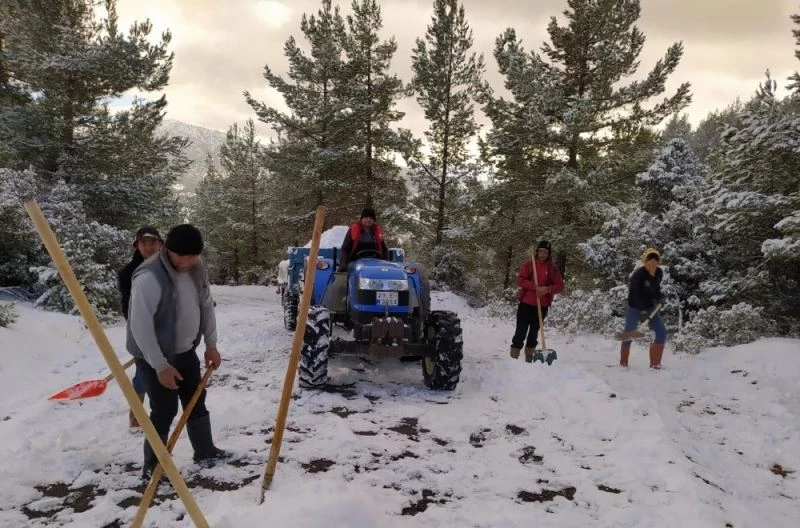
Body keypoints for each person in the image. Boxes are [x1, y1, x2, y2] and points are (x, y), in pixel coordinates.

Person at [126, 224, 228, 481]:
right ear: (167, 249)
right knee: (164, 410)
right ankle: (153, 467)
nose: (186, 262)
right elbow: (140, 326)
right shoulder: (149, 276)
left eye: (192, 256)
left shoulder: (196, 268)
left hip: (185, 351)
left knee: (196, 400)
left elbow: (206, 305)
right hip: (153, 357)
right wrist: (160, 366)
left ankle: (205, 451)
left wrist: (211, 344)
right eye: (180, 256)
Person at [117, 226, 163, 428]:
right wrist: (141, 329)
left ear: (160, 244)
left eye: (152, 242)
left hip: (168, 331)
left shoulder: (170, 267)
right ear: (137, 246)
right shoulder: (128, 273)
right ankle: (137, 418)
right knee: (143, 374)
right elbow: (127, 306)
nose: (149, 247)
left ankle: (160, 414)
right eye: (144, 243)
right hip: (142, 332)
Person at [510, 241, 564, 362]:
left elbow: (560, 286)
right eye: (540, 251)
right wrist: (535, 287)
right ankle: (514, 358)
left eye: (545, 252)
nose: (542, 254)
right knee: (521, 331)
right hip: (526, 304)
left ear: (549, 254)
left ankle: (529, 358)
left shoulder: (553, 268)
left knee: (533, 333)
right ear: (537, 252)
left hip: (542, 305)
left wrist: (546, 289)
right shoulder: (529, 264)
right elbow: (521, 280)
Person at [620, 248, 667, 369]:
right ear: (645, 261)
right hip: (634, 308)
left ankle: (655, 364)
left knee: (661, 331)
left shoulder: (659, 273)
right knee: (629, 334)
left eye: (655, 260)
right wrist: (642, 310)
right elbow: (635, 294)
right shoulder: (638, 275)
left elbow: (655, 289)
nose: (652, 262)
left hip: (650, 308)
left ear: (658, 262)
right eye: (650, 260)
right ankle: (623, 362)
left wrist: (660, 298)